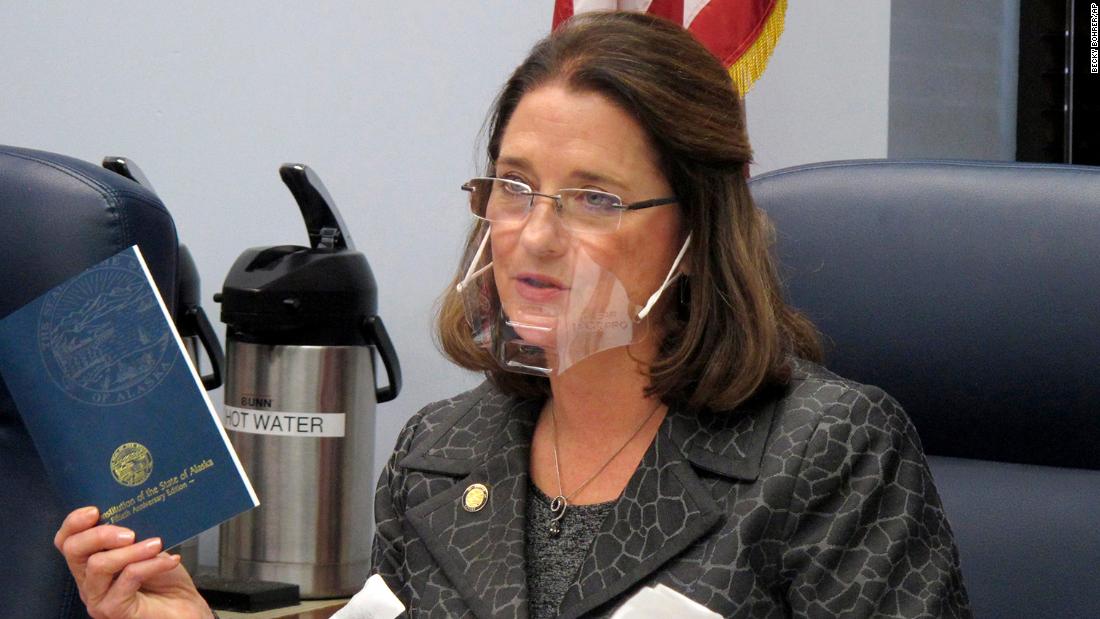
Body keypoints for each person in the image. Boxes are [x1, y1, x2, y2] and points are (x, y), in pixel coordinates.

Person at [56, 11, 970, 619]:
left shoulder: (829, 449)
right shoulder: (437, 456)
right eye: (514, 188)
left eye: (593, 199)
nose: (534, 236)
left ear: (695, 228)